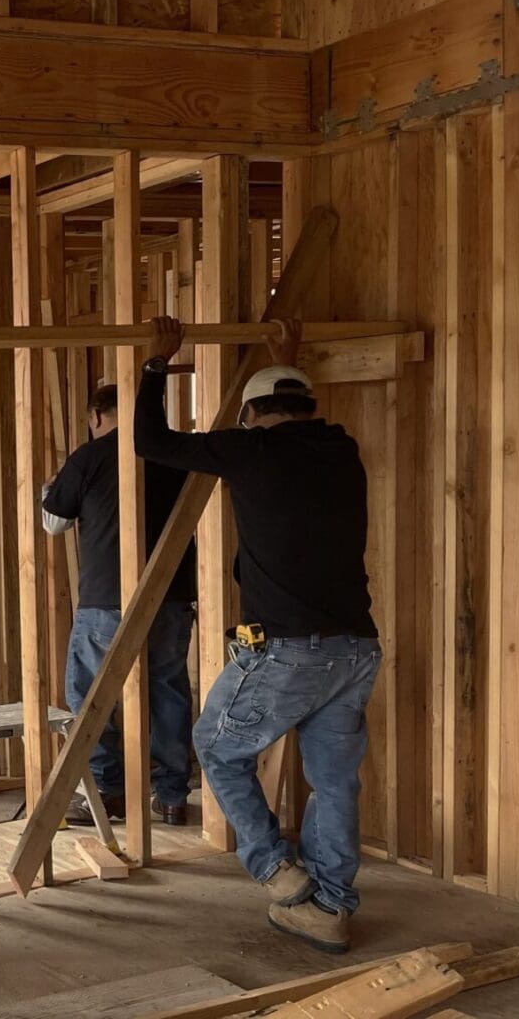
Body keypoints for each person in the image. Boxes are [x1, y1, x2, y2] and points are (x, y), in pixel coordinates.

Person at [135, 315, 380, 954]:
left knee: (216, 747)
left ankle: (274, 868)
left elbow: (148, 439)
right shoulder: (343, 449)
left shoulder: (251, 448)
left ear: (251, 416)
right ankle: (329, 908)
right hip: (356, 649)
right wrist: (287, 358)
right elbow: (293, 415)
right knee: (334, 781)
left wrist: (156, 364)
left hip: (292, 651)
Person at [41, 384, 197, 828]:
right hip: (169, 597)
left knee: (94, 697)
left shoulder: (89, 457)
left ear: (95, 415)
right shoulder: (174, 452)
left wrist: (50, 488)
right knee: (167, 692)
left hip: (106, 602)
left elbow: (54, 522)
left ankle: (106, 795)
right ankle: (171, 798)